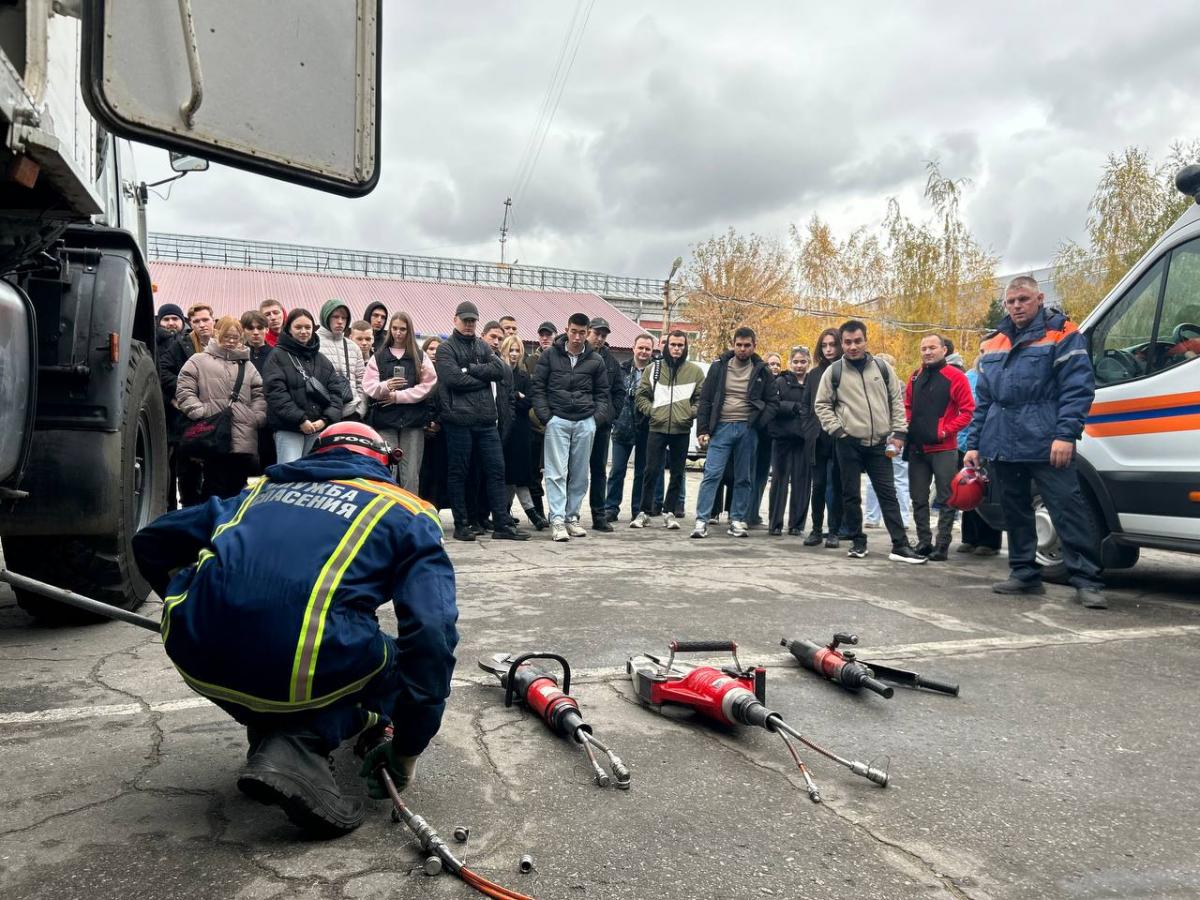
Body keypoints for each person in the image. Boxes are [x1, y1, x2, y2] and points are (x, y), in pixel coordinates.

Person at [131, 422, 458, 838]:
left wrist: (193, 602)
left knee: (304, 647)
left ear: (314, 456)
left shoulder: (257, 494)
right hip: (300, 661)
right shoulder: (407, 512)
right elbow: (432, 633)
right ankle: (300, 739)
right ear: (385, 462)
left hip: (196, 652)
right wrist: (409, 747)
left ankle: (271, 725)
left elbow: (151, 541)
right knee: (394, 664)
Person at [964, 276, 1106, 608]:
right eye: (1011, 301)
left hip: (1046, 441)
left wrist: (1065, 435)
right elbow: (983, 400)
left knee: (1067, 510)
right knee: (1015, 512)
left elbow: (1077, 389)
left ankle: (1087, 581)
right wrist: (974, 444)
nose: (1016, 306)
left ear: (1039, 298)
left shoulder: (1063, 334)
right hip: (1002, 442)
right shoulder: (993, 342)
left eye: (1023, 299)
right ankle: (1024, 574)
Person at [814, 320, 925, 564]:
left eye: (857, 341)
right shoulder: (834, 372)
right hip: (848, 442)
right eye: (848, 342)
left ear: (866, 340)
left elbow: (896, 400)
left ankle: (900, 545)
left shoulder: (883, 369)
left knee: (888, 494)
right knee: (850, 494)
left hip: (879, 444)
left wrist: (899, 433)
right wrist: (838, 430)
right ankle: (858, 541)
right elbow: (821, 404)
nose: (853, 346)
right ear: (842, 344)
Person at [434, 301, 529, 542]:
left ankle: (501, 524)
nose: (469, 325)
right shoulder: (446, 349)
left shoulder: (482, 346)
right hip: (458, 420)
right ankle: (462, 524)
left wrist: (470, 370)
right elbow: (453, 379)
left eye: (472, 321)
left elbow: (501, 372)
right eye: (465, 320)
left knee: (497, 471)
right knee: (460, 473)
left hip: (486, 421)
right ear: (455, 320)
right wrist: (481, 377)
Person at [531, 312, 612, 542]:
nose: (577, 337)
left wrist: (594, 421)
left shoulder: (596, 360)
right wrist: (547, 417)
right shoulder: (549, 356)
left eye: (582, 332)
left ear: (588, 333)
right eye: (573, 331)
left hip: (585, 422)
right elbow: (538, 388)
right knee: (556, 473)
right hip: (558, 420)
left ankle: (572, 517)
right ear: (566, 330)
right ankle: (557, 520)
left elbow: (602, 394)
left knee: (579, 474)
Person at [690, 327, 778, 538]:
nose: (742, 349)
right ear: (733, 344)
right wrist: (702, 429)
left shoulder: (762, 370)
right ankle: (701, 521)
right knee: (712, 474)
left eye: (747, 345)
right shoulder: (719, 367)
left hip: (748, 430)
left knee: (744, 477)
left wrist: (756, 423)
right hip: (721, 428)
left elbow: (773, 403)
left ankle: (737, 520)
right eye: (739, 344)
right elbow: (706, 400)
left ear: (754, 346)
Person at [175, 316, 267, 500]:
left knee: (238, 488)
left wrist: (256, 417)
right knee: (212, 486)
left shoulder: (248, 366)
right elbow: (184, 388)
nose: (231, 341)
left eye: (235, 337)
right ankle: (212, 526)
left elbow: (259, 394)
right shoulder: (198, 360)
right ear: (218, 334)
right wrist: (199, 411)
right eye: (227, 336)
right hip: (213, 433)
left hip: (243, 435)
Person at [904, 334, 974, 561]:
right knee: (918, 497)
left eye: (932, 347)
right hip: (916, 447)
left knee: (946, 497)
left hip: (944, 448)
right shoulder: (915, 377)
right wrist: (907, 425)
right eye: (923, 348)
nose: (927, 352)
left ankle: (942, 544)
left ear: (944, 350)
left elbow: (967, 411)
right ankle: (924, 541)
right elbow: (906, 405)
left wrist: (945, 430)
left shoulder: (956, 377)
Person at [630, 330, 703, 530]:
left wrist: (690, 413)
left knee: (678, 472)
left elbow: (701, 399)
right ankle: (643, 511)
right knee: (651, 470)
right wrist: (652, 412)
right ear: (666, 346)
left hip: (681, 429)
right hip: (657, 427)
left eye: (680, 345)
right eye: (673, 344)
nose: (677, 348)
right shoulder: (654, 369)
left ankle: (669, 512)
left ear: (686, 347)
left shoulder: (695, 372)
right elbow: (641, 395)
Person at [362, 311, 436, 495]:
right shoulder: (378, 356)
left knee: (411, 473)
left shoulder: (420, 356)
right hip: (386, 421)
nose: (398, 333)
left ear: (409, 330)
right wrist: (385, 386)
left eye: (402, 329)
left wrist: (399, 396)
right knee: (386, 471)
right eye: (394, 328)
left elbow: (429, 384)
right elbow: (368, 386)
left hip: (413, 422)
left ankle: (409, 514)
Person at [262, 308, 349, 463]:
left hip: (318, 429)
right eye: (298, 327)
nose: (303, 331)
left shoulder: (322, 360)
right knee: (290, 476)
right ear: (288, 328)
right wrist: (300, 419)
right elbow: (276, 394)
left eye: (307, 327)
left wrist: (325, 419)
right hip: (289, 429)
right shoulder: (276, 356)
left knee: (313, 478)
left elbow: (336, 393)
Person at [160, 304, 217, 508]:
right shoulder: (180, 346)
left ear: (213, 320)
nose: (201, 325)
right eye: (196, 321)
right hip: (188, 419)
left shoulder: (227, 343)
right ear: (189, 324)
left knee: (217, 473)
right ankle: (188, 515)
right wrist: (187, 392)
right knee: (188, 474)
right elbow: (163, 371)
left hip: (219, 419)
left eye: (205, 320)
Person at [605, 333, 657, 523]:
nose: (643, 352)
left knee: (642, 472)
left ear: (652, 351)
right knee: (617, 470)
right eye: (640, 348)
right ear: (633, 348)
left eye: (647, 349)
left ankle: (638, 510)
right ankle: (610, 508)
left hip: (647, 428)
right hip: (622, 426)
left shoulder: (656, 372)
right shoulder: (621, 369)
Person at [957, 354, 1002, 556]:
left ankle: (989, 541)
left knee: (986, 493)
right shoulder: (968, 377)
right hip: (965, 443)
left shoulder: (998, 376)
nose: (985, 355)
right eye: (982, 351)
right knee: (967, 491)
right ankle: (969, 538)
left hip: (989, 443)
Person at [499, 335, 546, 529]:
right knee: (508, 474)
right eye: (511, 349)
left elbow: (529, 402)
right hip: (503, 430)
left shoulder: (524, 376)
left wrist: (515, 398)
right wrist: (517, 396)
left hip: (521, 431)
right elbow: (502, 401)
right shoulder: (499, 374)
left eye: (518, 350)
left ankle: (519, 513)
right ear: (504, 351)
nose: (514, 354)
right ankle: (516, 513)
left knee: (519, 474)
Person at [767, 346, 816, 536]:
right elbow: (773, 404)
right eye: (795, 361)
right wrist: (794, 407)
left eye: (803, 361)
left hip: (804, 439)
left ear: (809, 363)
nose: (799, 365)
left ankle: (797, 524)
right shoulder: (780, 381)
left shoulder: (814, 382)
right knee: (779, 482)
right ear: (789, 363)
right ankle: (775, 523)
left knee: (802, 482)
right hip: (783, 438)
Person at [863, 352, 913, 531]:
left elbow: (904, 412)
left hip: (894, 435)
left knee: (898, 477)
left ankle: (898, 518)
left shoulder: (900, 388)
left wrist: (900, 433)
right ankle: (874, 517)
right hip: (877, 434)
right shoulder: (897, 387)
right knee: (881, 478)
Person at [804, 328, 844, 547]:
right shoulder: (814, 374)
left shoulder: (845, 370)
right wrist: (808, 429)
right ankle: (817, 530)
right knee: (818, 486)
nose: (828, 349)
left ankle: (835, 532)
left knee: (837, 486)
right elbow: (805, 405)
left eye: (832, 345)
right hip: (817, 438)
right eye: (824, 345)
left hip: (840, 437)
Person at [585, 318, 625, 532]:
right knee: (572, 471)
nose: (599, 338)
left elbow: (620, 391)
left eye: (603, 335)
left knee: (599, 470)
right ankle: (564, 514)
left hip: (601, 425)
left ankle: (599, 515)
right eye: (596, 334)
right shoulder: (577, 356)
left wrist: (611, 413)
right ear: (587, 332)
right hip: (577, 421)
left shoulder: (611, 361)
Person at [526, 321, 557, 521]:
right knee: (533, 472)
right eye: (542, 335)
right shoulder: (530, 361)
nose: (545, 338)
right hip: (534, 425)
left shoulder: (560, 359)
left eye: (549, 335)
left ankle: (558, 512)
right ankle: (538, 512)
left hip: (556, 425)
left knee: (557, 472)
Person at [748, 352, 783, 527]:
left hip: (773, 438)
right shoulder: (760, 382)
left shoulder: (783, 383)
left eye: (777, 364)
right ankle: (748, 513)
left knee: (762, 476)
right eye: (771, 364)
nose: (774, 367)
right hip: (759, 433)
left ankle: (754, 513)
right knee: (752, 474)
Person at [317, 299, 367, 421]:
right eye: (335, 317)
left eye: (344, 318)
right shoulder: (313, 343)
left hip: (351, 411)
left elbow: (362, 381)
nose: (340, 321)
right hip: (322, 413)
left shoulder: (353, 347)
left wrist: (360, 410)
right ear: (326, 317)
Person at [418, 336, 450, 512]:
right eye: (431, 349)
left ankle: (434, 509)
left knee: (438, 473)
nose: (434, 352)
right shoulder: (418, 373)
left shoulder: (446, 374)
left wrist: (438, 422)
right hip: (420, 430)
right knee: (422, 473)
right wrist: (424, 423)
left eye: (438, 349)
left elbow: (448, 401)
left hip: (440, 431)